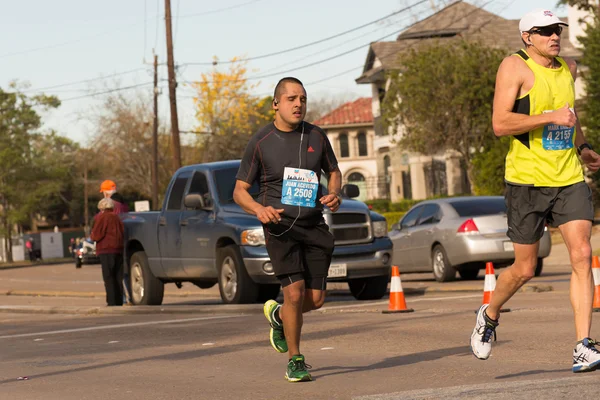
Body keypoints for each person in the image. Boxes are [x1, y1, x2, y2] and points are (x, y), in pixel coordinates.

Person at [470, 9, 600, 373]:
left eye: (557, 29)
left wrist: (583, 146)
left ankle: (582, 344)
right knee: (525, 268)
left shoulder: (570, 68)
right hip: (526, 180)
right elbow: (500, 123)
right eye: (544, 31)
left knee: (582, 253)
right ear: (527, 36)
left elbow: (570, 116)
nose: (553, 36)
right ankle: (490, 314)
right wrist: (549, 117)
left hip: (568, 177)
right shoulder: (514, 67)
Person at [233, 77, 342, 382]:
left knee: (316, 300)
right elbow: (239, 190)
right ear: (276, 104)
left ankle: (279, 316)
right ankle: (295, 359)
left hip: (313, 225)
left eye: (303, 99)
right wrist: (259, 208)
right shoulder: (261, 142)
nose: (298, 105)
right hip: (279, 226)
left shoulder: (317, 136)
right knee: (294, 293)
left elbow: (333, 171)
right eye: (292, 99)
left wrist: (335, 192)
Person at [98, 179, 132, 304]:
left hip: (110, 244)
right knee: (126, 271)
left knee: (113, 275)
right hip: (125, 240)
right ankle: (132, 296)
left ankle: (120, 298)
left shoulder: (110, 206)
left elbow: (101, 227)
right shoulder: (124, 204)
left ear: (106, 193)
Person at [91, 198, 125, 306]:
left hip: (106, 250)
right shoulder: (117, 218)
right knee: (118, 277)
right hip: (119, 249)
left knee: (108, 277)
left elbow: (96, 235)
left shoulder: (101, 218)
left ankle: (111, 301)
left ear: (101, 207)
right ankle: (119, 301)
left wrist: (92, 236)